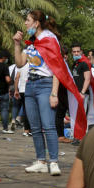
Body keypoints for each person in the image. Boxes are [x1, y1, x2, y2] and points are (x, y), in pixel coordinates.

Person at [13, 9, 63, 175]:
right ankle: (41, 161)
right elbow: (20, 63)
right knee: (34, 127)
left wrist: (54, 93)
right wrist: (17, 44)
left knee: (48, 126)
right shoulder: (32, 42)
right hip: (31, 85)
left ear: (36, 23)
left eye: (28, 20)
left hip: (46, 84)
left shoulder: (49, 39)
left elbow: (57, 67)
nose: (26, 24)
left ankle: (54, 161)